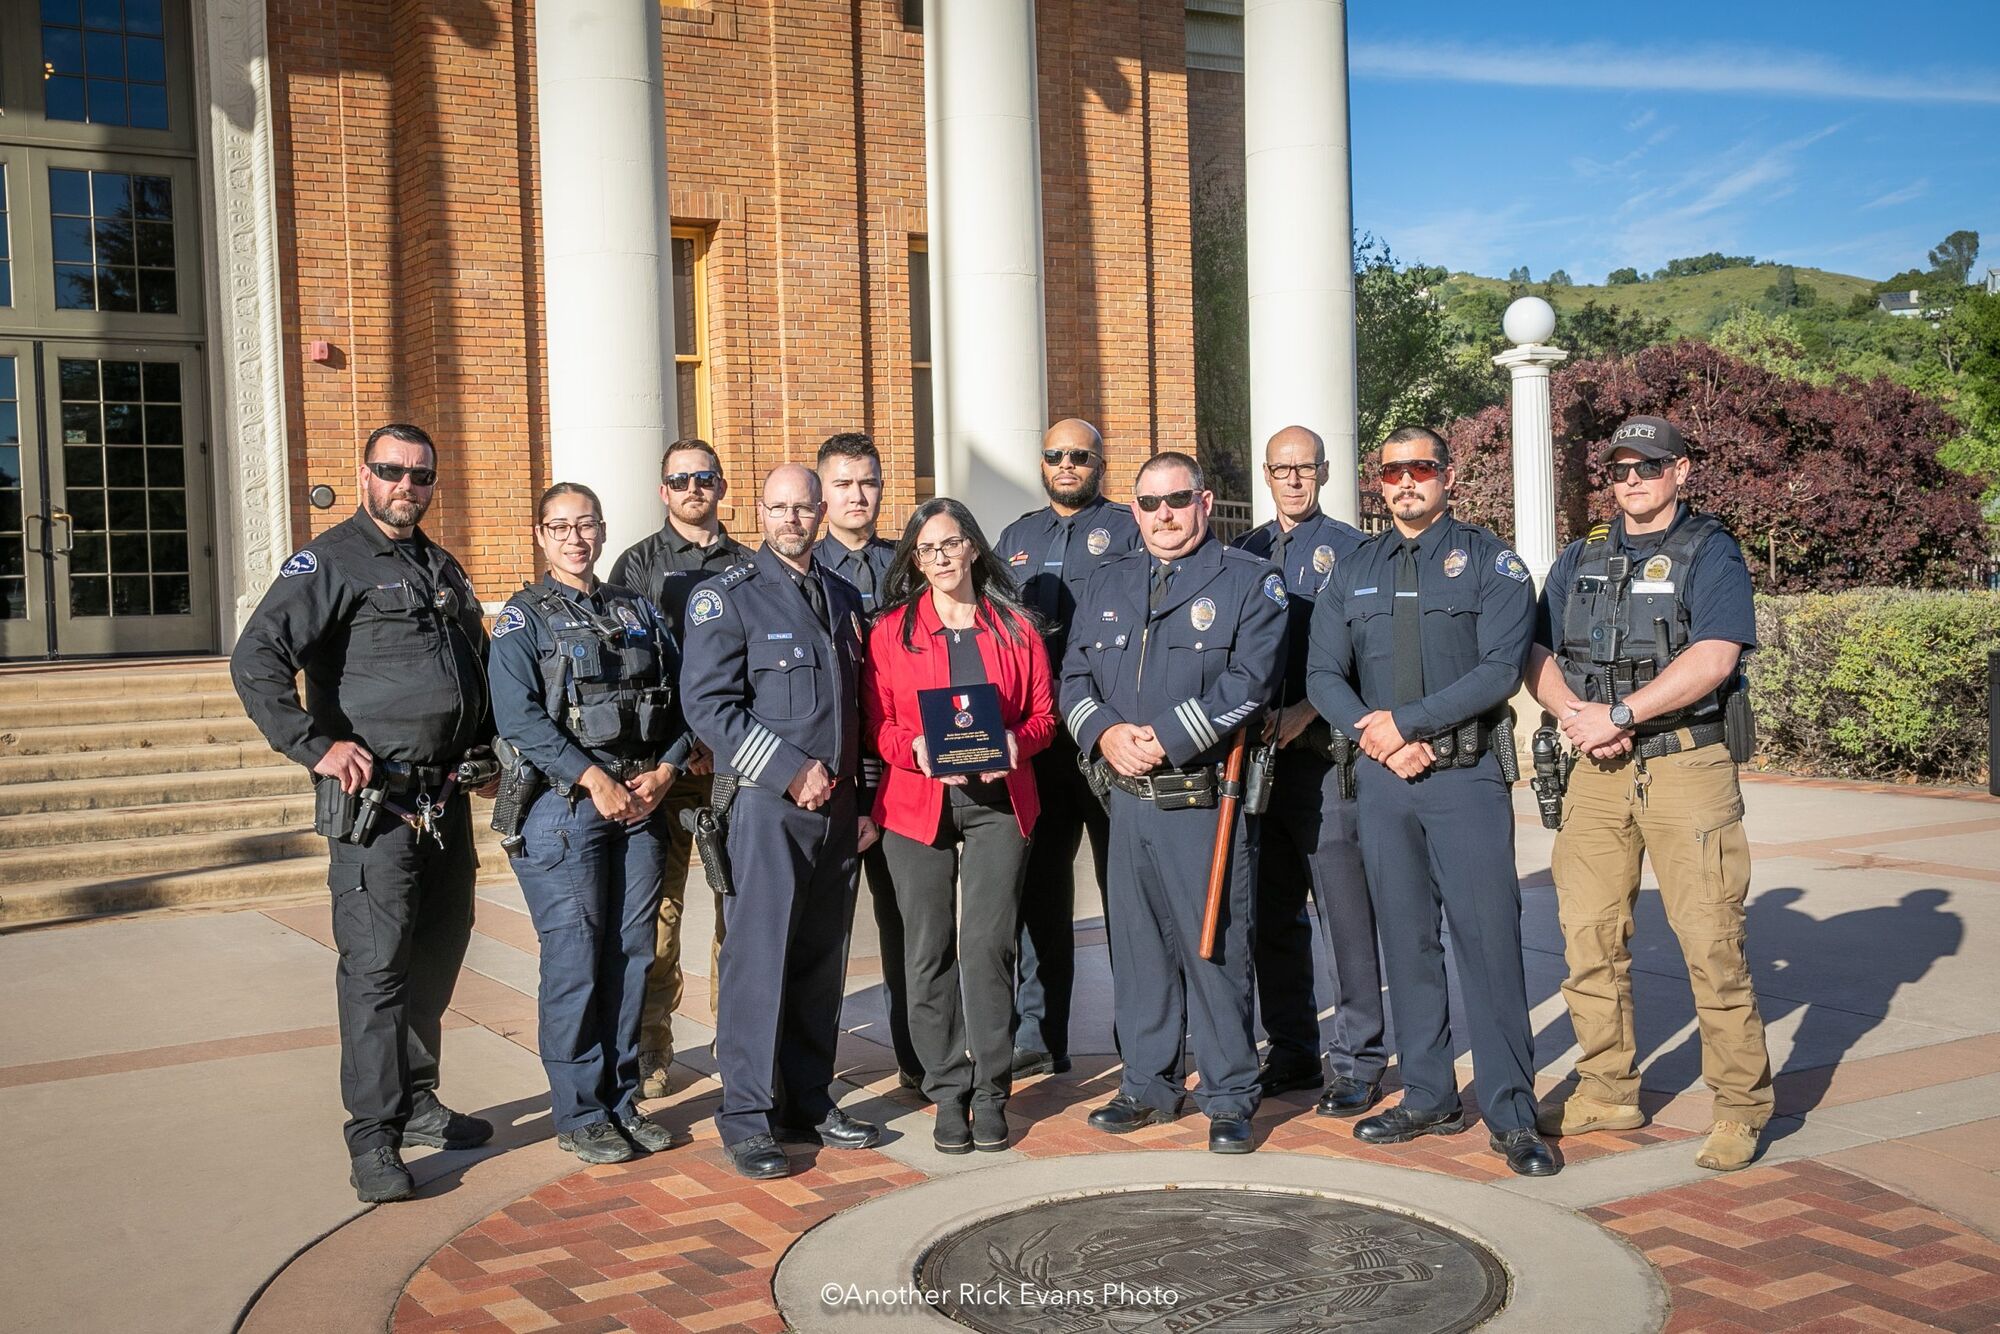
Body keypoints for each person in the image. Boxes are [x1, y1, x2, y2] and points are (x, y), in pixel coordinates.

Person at [231, 423, 496, 1204]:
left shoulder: (438, 564)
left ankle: (416, 1100)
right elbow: (257, 659)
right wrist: (315, 745)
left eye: (421, 475)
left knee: (439, 954)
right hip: (374, 808)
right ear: (364, 474)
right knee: (376, 971)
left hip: (443, 803)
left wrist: (484, 747)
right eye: (392, 472)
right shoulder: (331, 561)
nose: (407, 486)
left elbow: (468, 667)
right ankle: (373, 1136)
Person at [1305, 426, 1556, 1177]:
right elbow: (1323, 675)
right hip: (1384, 783)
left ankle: (1512, 1113)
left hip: (1465, 778)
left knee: (1488, 943)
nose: (1404, 482)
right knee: (1407, 944)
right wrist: (1377, 737)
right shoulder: (1351, 570)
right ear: (1375, 484)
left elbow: (1499, 670)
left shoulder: (1491, 562)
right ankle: (1427, 1094)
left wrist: (1406, 723)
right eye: (1390, 472)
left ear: (1447, 476)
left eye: (1419, 468)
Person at [1527, 414, 1772, 1173]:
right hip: (1593, 768)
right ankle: (1606, 1085)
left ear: (1681, 472)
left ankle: (1740, 1105)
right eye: (1621, 469)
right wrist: (1577, 716)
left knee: (1711, 943)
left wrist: (1624, 713)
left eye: (1649, 467)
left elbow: (1715, 656)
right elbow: (1533, 649)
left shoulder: (1711, 551)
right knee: (1589, 939)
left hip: (1684, 766)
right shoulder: (1580, 556)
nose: (1633, 481)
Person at [1062, 451, 1286, 1154]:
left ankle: (1228, 1094)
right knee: (1137, 952)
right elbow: (1072, 675)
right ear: (1134, 510)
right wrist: (1103, 735)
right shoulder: (1109, 582)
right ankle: (1149, 1087)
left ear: (1206, 502)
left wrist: (1159, 739)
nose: (1164, 516)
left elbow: (1251, 681)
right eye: (1150, 504)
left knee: (1213, 949)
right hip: (1124, 801)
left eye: (1177, 501)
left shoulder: (1251, 582)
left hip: (1202, 801)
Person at [680, 464, 881, 1179]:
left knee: (821, 962)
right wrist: (790, 768)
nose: (792, 519)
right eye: (779, 507)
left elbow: (862, 709)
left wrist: (865, 798)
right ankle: (746, 1115)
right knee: (757, 965)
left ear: (822, 512)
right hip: (769, 808)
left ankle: (806, 1098)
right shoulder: (727, 598)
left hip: (839, 812)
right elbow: (709, 705)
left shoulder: (844, 595)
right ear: (759, 512)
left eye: (804, 508)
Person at [489, 482, 694, 1164]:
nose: (576, 538)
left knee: (633, 954)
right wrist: (593, 778)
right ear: (542, 537)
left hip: (640, 803)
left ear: (603, 532)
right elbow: (518, 718)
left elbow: (684, 696)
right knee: (576, 960)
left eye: (586, 526)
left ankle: (620, 1098)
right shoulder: (524, 620)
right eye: (561, 527)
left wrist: (666, 769)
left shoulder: (636, 609)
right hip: (566, 808)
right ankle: (579, 1113)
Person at [862, 498, 1056, 1153]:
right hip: (916, 805)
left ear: (973, 547)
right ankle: (947, 1092)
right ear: (915, 560)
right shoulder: (892, 633)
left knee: (988, 947)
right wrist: (911, 750)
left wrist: (1012, 745)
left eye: (950, 544)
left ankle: (992, 1092)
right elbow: (880, 724)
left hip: (1000, 805)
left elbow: (1044, 719)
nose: (940, 557)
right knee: (928, 951)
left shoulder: (1015, 629)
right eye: (926, 549)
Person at [1230, 425, 1386, 1115]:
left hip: (1323, 762)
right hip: (1259, 760)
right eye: (1281, 469)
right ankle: (1293, 1049)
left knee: (1345, 916)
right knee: (1271, 916)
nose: (1293, 480)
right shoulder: (1244, 553)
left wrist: (1307, 714)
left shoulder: (1355, 552)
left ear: (1323, 472)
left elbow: (1368, 659)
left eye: (1305, 468)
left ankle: (1358, 1058)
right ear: (1266, 475)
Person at [606, 439, 751, 1100]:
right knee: (659, 911)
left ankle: (740, 1039)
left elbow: (751, 668)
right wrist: (671, 749)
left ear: (721, 487)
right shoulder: (636, 565)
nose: (694, 488)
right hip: (660, 769)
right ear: (663, 491)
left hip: (727, 763)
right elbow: (626, 670)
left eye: (705, 477)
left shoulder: (749, 566)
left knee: (738, 905)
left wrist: (722, 737)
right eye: (680, 479)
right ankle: (653, 1042)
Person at [996, 418, 1141, 1078]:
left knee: (1129, 895)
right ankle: (1037, 1032)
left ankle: (1138, 1032)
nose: (1066, 464)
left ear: (1100, 463)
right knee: (1040, 897)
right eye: (1054, 455)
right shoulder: (1016, 539)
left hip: (1108, 740)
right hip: (1041, 746)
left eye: (1079, 456)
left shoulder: (1131, 528)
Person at [812, 432, 922, 1095]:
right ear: (823, 492)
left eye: (869, 482)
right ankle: (811, 1070)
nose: (858, 495)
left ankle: (921, 1058)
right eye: (845, 483)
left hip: (901, 781)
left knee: (911, 926)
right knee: (823, 936)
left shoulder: (908, 568)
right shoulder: (802, 571)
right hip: (828, 786)